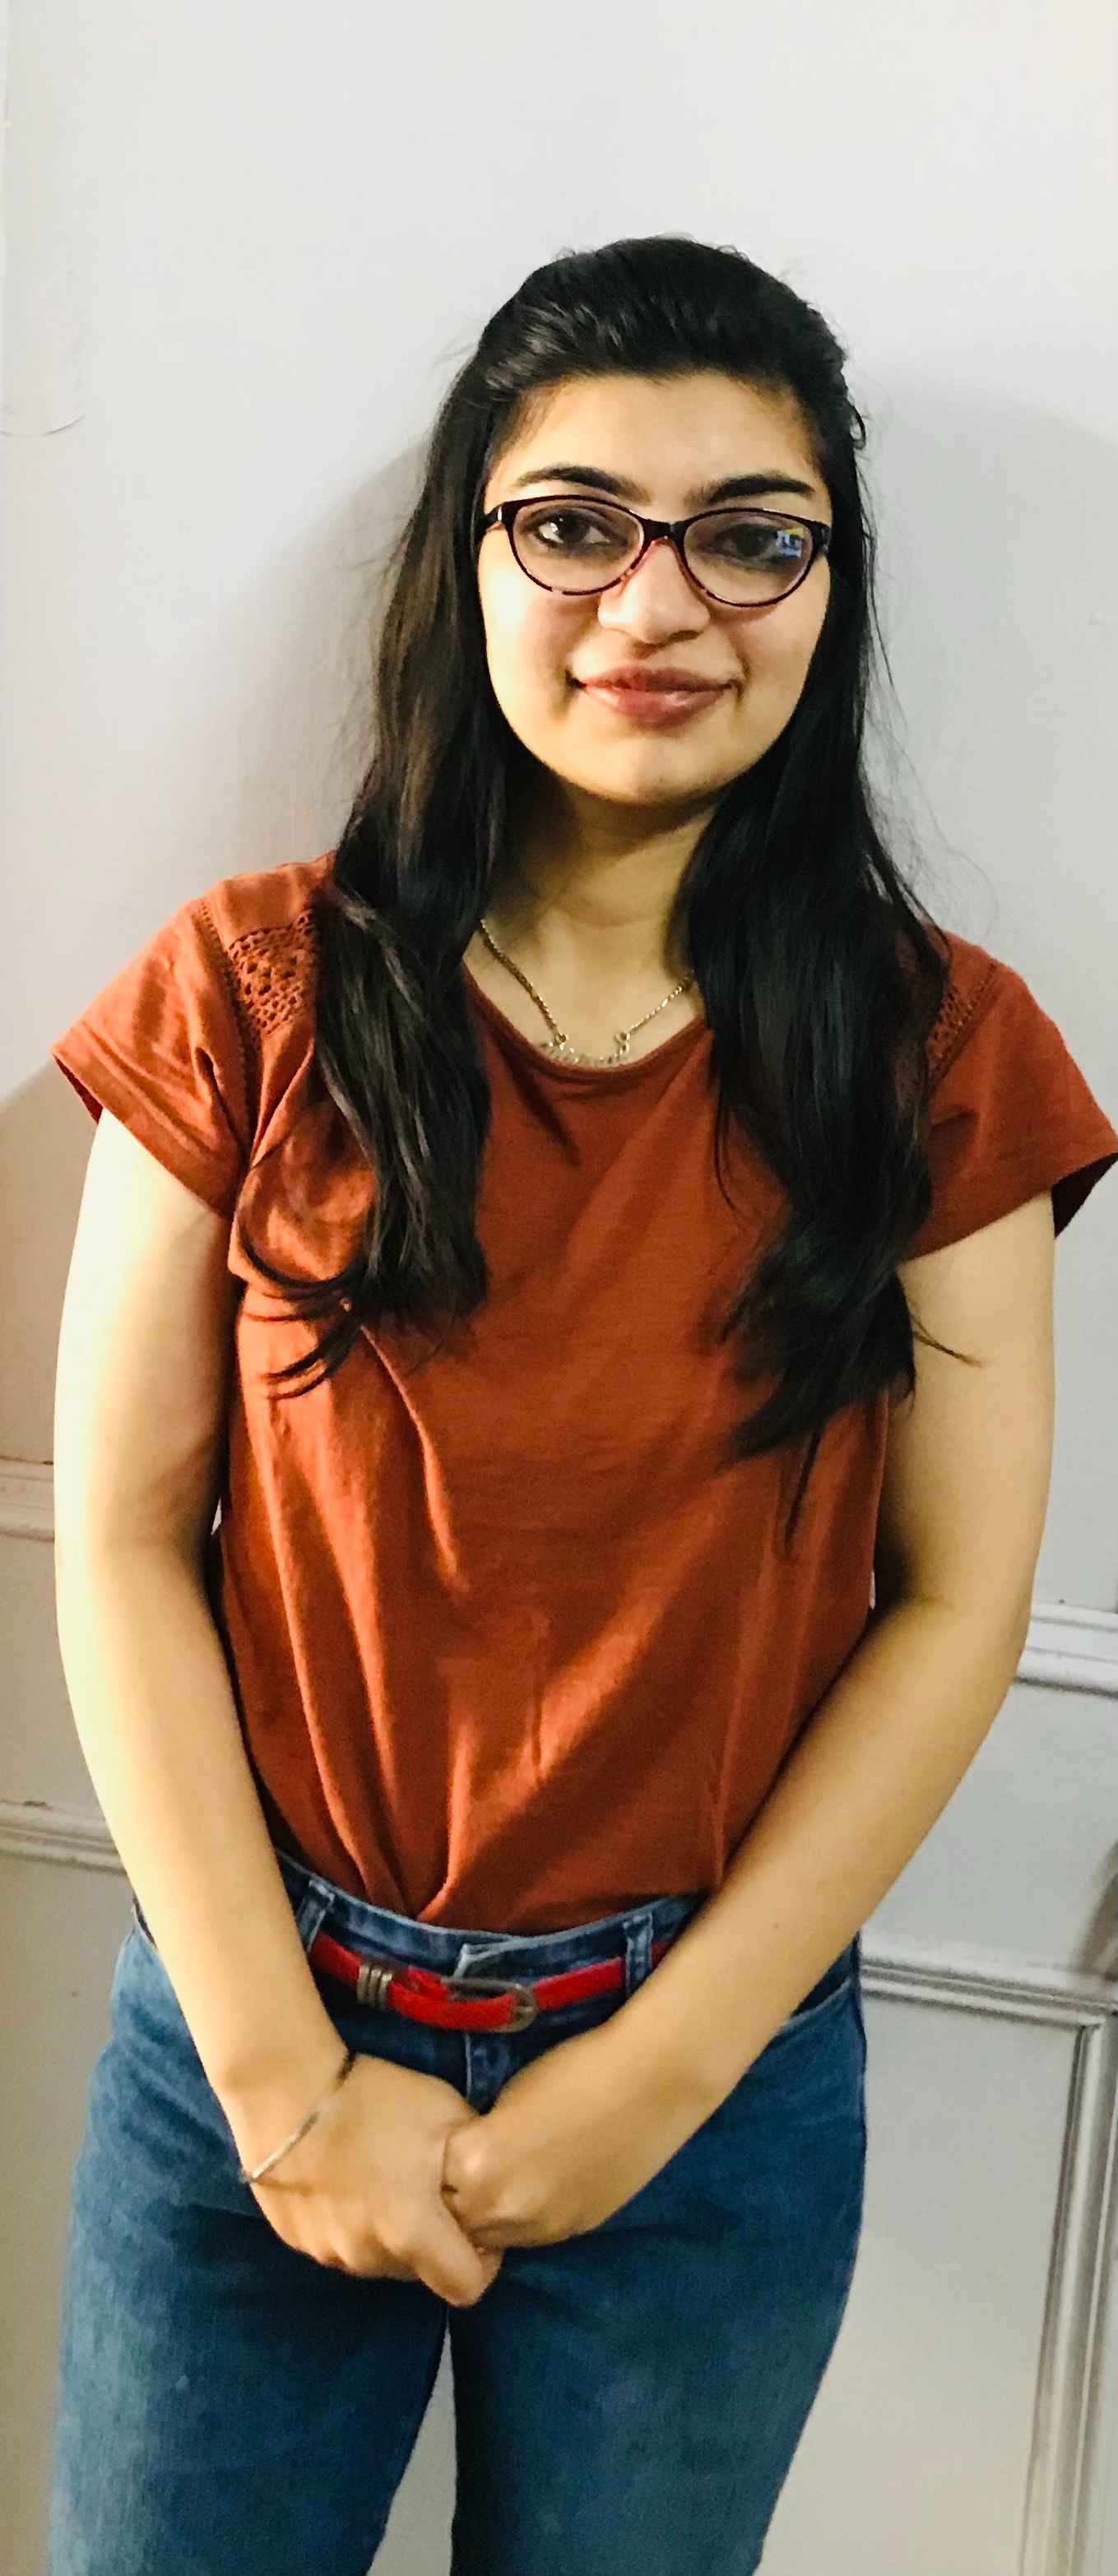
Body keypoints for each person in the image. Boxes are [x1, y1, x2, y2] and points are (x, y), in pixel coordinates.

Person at [45, 234, 1116, 2576]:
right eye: (575, 523)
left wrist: (654, 2075)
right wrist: (282, 2084)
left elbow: (957, 1601)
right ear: (470, 557)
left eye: (750, 537)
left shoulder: (944, 1055)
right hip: (248, 2029)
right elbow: (117, 1537)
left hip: (709, 2094)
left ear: (830, 588)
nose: (659, 604)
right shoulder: (244, 993)